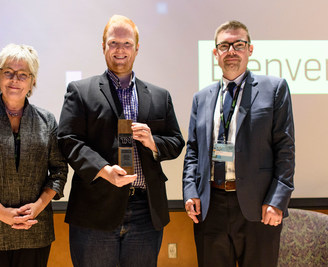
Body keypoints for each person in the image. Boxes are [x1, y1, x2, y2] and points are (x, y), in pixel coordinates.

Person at [58, 15, 184, 267]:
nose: (120, 50)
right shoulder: (80, 91)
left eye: (126, 43)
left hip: (145, 213)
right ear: (103, 46)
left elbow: (176, 141)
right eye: (113, 43)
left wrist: (152, 142)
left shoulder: (160, 96)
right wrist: (104, 170)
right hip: (95, 211)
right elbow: (68, 139)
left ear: (137, 47)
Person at [182, 20, 295, 267]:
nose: (231, 51)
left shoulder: (274, 89)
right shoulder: (201, 98)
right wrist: (191, 191)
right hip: (210, 208)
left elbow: (285, 150)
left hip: (258, 207)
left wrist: (277, 201)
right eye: (224, 46)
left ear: (250, 50)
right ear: (215, 53)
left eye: (239, 44)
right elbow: (192, 150)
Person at [0, 43, 68, 267]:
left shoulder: (47, 121)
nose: (14, 79)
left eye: (22, 74)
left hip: (33, 229)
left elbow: (59, 171)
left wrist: (38, 205)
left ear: (32, 80)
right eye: (8, 72)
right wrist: (2, 213)